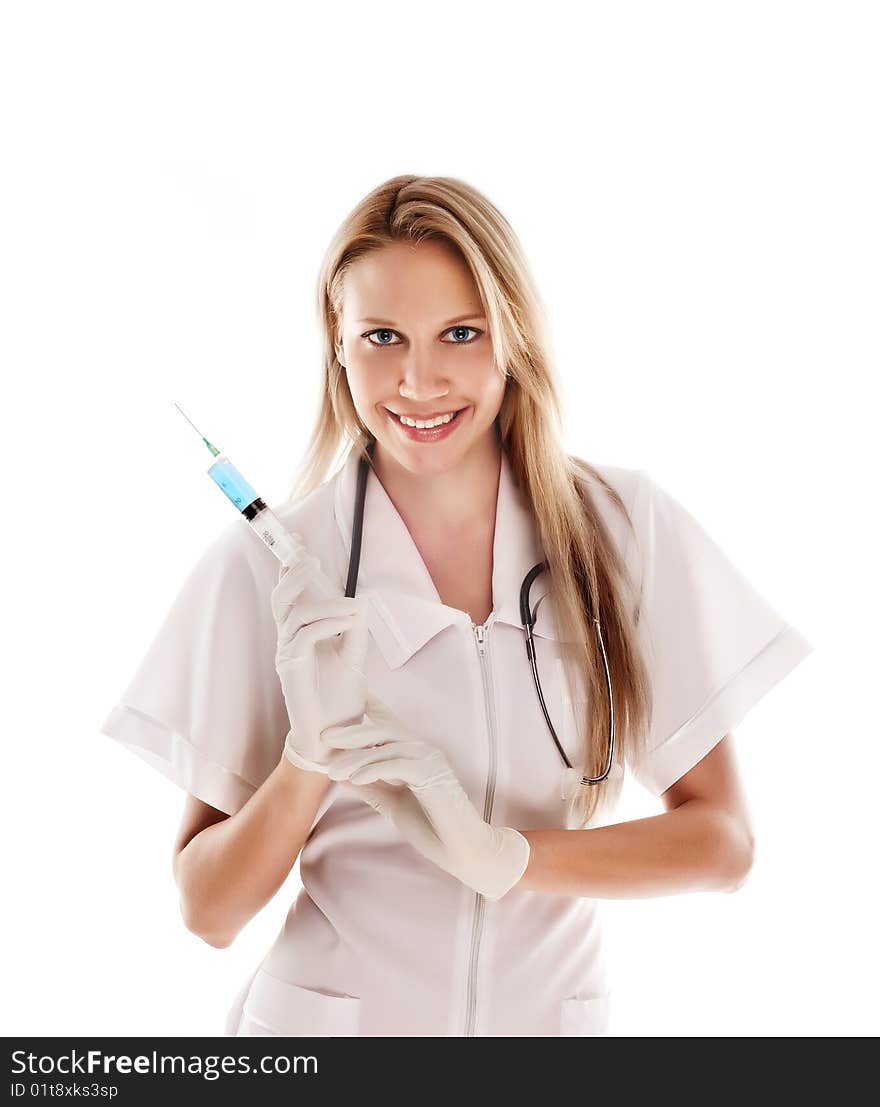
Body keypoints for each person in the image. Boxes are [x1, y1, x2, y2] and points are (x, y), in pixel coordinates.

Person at [100, 174, 813, 1037]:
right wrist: (306, 760)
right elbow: (207, 911)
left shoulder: (623, 531)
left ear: (512, 337)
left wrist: (510, 859)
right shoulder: (271, 568)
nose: (420, 380)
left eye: (461, 334)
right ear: (337, 343)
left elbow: (723, 844)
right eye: (383, 337)